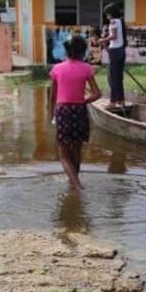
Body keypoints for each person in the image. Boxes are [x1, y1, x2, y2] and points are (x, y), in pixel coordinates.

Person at [48, 35, 101, 190]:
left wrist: (51, 115)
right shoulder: (87, 68)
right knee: (76, 150)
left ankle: (76, 185)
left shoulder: (57, 69)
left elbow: (52, 96)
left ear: (66, 51)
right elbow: (97, 94)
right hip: (79, 111)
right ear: (83, 52)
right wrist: (82, 101)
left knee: (63, 153)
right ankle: (74, 183)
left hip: (62, 110)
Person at [99, 3, 126, 109]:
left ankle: (113, 101)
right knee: (118, 77)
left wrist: (103, 39)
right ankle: (121, 100)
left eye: (107, 14)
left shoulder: (113, 21)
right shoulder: (121, 22)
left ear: (111, 14)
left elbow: (113, 36)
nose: (106, 16)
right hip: (121, 51)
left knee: (113, 78)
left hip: (115, 52)